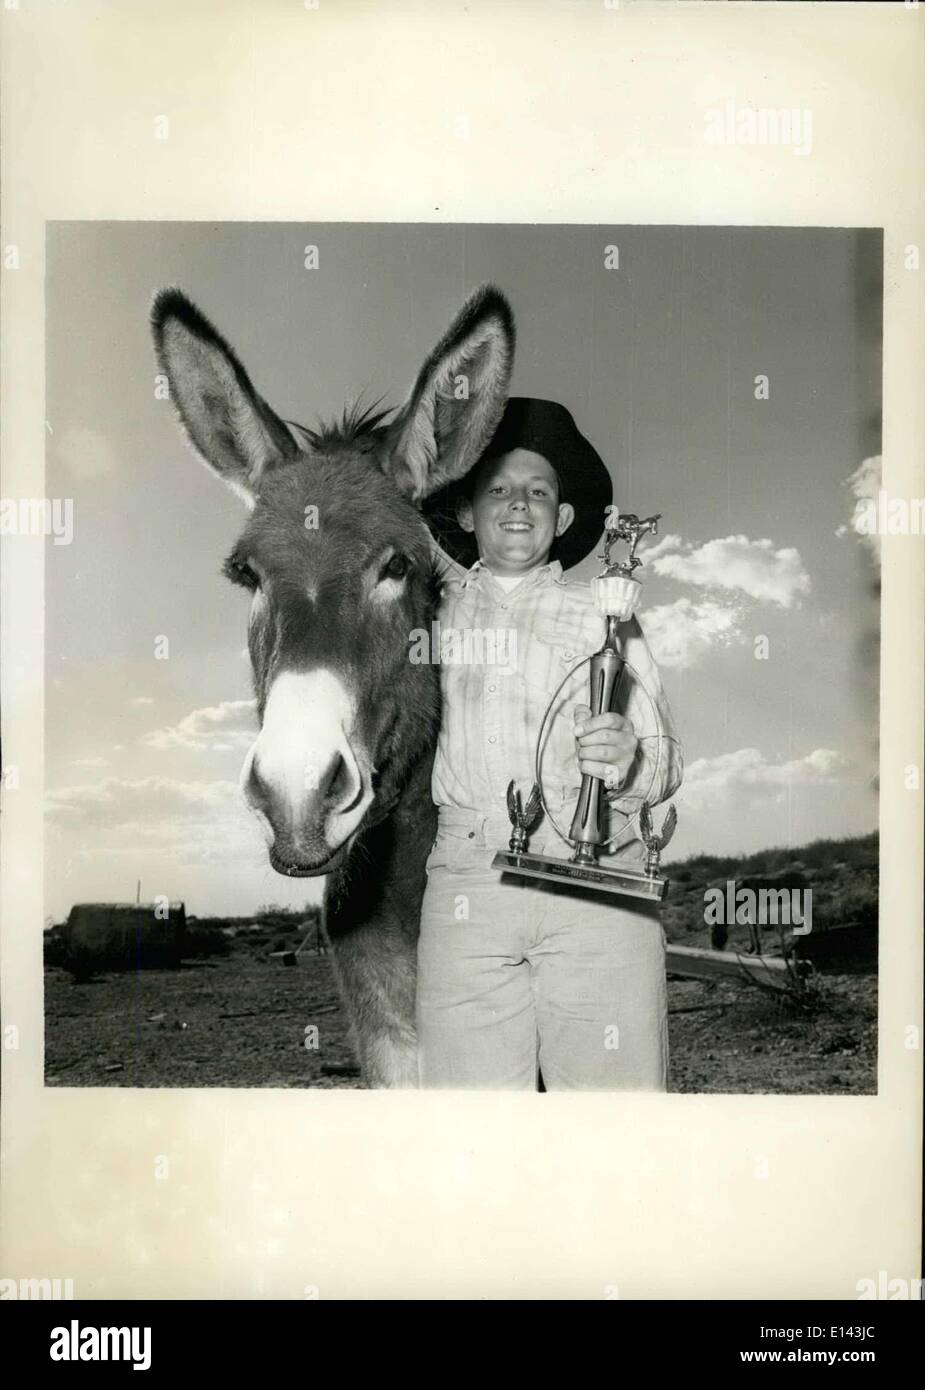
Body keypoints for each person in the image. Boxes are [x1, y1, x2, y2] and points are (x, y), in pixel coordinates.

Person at [418, 397, 683, 1091]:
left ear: (562, 520)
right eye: (497, 488)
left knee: (611, 1123)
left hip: (598, 886)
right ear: (465, 513)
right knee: (469, 1136)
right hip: (467, 886)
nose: (517, 504)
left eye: (538, 491)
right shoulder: (427, 618)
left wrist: (629, 759)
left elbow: (665, 762)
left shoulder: (609, 616)